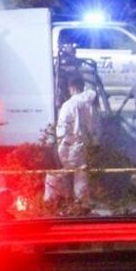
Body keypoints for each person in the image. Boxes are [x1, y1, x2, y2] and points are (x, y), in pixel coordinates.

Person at [45, 74, 99, 205]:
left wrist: (55, 141)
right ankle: (81, 204)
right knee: (81, 175)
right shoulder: (90, 104)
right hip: (84, 144)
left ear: (72, 88)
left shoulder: (69, 105)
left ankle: (54, 201)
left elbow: (62, 128)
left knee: (63, 174)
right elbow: (95, 127)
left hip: (69, 145)